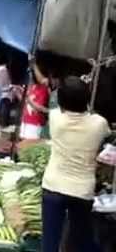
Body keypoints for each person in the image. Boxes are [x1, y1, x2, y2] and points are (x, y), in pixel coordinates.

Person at [42, 76, 109, 252]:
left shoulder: (55, 117)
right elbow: (102, 128)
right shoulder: (100, 123)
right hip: (82, 190)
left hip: (54, 185)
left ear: (62, 101)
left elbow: (61, 108)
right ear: (87, 99)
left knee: (50, 242)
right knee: (79, 242)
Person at [20, 63, 50, 140]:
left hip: (35, 123)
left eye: (31, 73)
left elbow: (39, 108)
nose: (29, 76)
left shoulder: (44, 88)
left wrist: (28, 99)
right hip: (25, 120)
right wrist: (18, 92)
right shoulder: (31, 87)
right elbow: (26, 103)